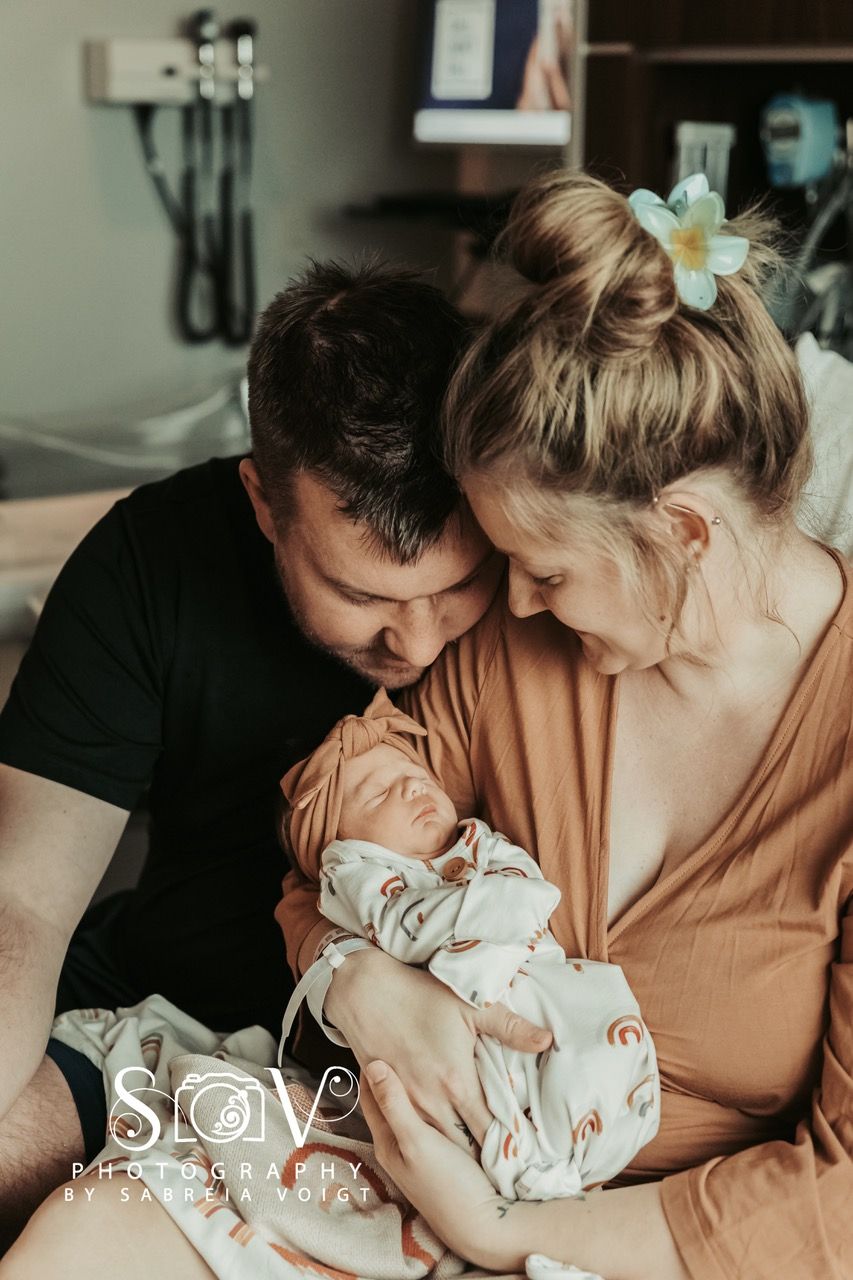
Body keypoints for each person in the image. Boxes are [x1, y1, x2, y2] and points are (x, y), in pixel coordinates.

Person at [274, 173, 851, 1278]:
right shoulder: (528, 654)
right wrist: (354, 976)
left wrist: (504, 1233)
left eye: (544, 568)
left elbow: (839, 1198)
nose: (516, 603)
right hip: (399, 1183)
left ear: (681, 530)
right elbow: (328, 819)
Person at [0, 261, 515, 1249]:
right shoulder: (151, 561)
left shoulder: (537, 574)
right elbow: (20, 901)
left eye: (453, 588)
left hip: (398, 1070)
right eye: (361, 596)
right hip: (163, 1014)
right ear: (264, 502)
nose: (412, 645)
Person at [281, 687, 660, 1203]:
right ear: (341, 845)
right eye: (377, 793)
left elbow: (523, 879)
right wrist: (490, 907)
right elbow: (401, 926)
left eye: (417, 776)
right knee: (485, 1088)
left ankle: (583, 1158)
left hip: (541, 982)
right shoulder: (356, 873)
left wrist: (500, 902)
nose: (412, 787)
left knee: (604, 1032)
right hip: (457, 1008)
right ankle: (526, 1172)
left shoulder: (477, 838)